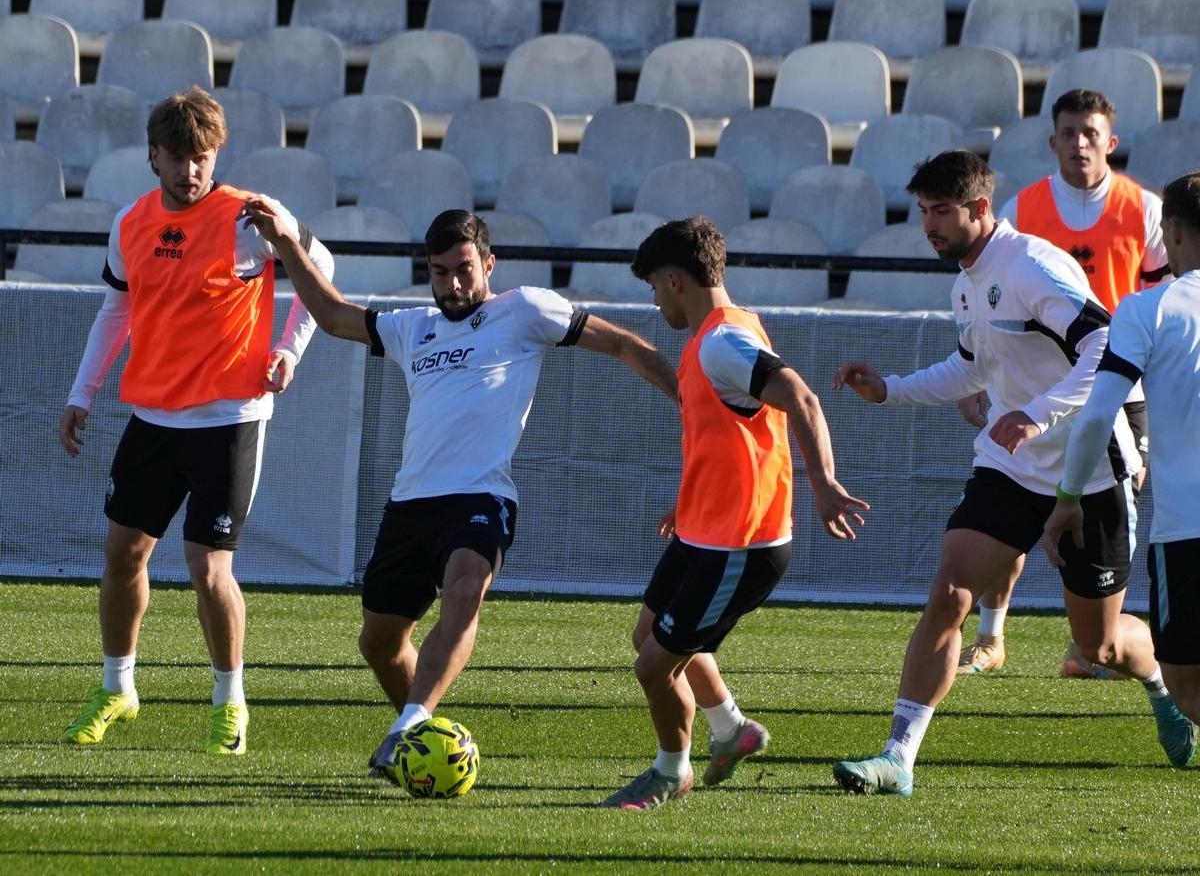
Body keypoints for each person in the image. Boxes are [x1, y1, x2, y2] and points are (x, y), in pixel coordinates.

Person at [235, 204, 679, 781]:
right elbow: (334, 314)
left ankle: (404, 730)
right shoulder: (411, 326)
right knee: (380, 643)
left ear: (489, 263)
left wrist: (689, 396)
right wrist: (287, 243)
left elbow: (623, 344)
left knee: (465, 588)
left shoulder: (523, 310)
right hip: (411, 504)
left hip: (481, 497)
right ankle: (422, 738)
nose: (454, 282)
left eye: (465, 268)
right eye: (440, 272)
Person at [830, 150, 1194, 797]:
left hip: (1088, 470)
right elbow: (970, 367)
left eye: (940, 211)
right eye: (922, 211)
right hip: (1010, 465)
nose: (928, 226)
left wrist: (1035, 413)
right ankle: (898, 757)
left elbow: (1104, 345)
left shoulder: (1030, 266)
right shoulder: (966, 280)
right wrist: (891, 389)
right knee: (949, 589)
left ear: (978, 208)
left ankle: (1158, 682)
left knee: (1096, 647)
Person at [58, 86, 332, 755]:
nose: (191, 171)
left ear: (217, 156)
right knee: (123, 553)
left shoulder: (250, 216)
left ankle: (228, 702)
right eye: (178, 157)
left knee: (209, 568)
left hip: (229, 418)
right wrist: (82, 392)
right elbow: (116, 309)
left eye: (203, 157)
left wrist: (288, 350)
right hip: (152, 415)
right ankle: (118, 686)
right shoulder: (130, 222)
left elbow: (319, 266)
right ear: (153, 156)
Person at [599, 217, 868, 810]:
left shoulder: (723, 341)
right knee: (648, 635)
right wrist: (688, 498)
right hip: (704, 530)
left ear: (674, 281)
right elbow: (731, 434)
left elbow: (800, 396)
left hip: (739, 544)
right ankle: (731, 730)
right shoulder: (722, 333)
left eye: (653, 288)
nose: (654, 301)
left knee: (652, 668)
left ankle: (672, 770)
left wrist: (823, 483)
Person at [958, 89, 1171, 677]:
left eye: (1091, 132)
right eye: (1069, 132)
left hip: (1121, 385)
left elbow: (1160, 297)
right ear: (1052, 140)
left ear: (1111, 141)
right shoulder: (1025, 209)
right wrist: (980, 375)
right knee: (1011, 487)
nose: (1080, 142)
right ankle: (991, 635)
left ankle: (1100, 640)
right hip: (1034, 383)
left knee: (1112, 500)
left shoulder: (1143, 208)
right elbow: (989, 290)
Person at [1044, 172, 1200, 753]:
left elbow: (1093, 416)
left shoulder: (1146, 309)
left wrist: (1065, 501)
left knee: (1188, 691)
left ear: (1173, 231)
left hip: (1188, 531)